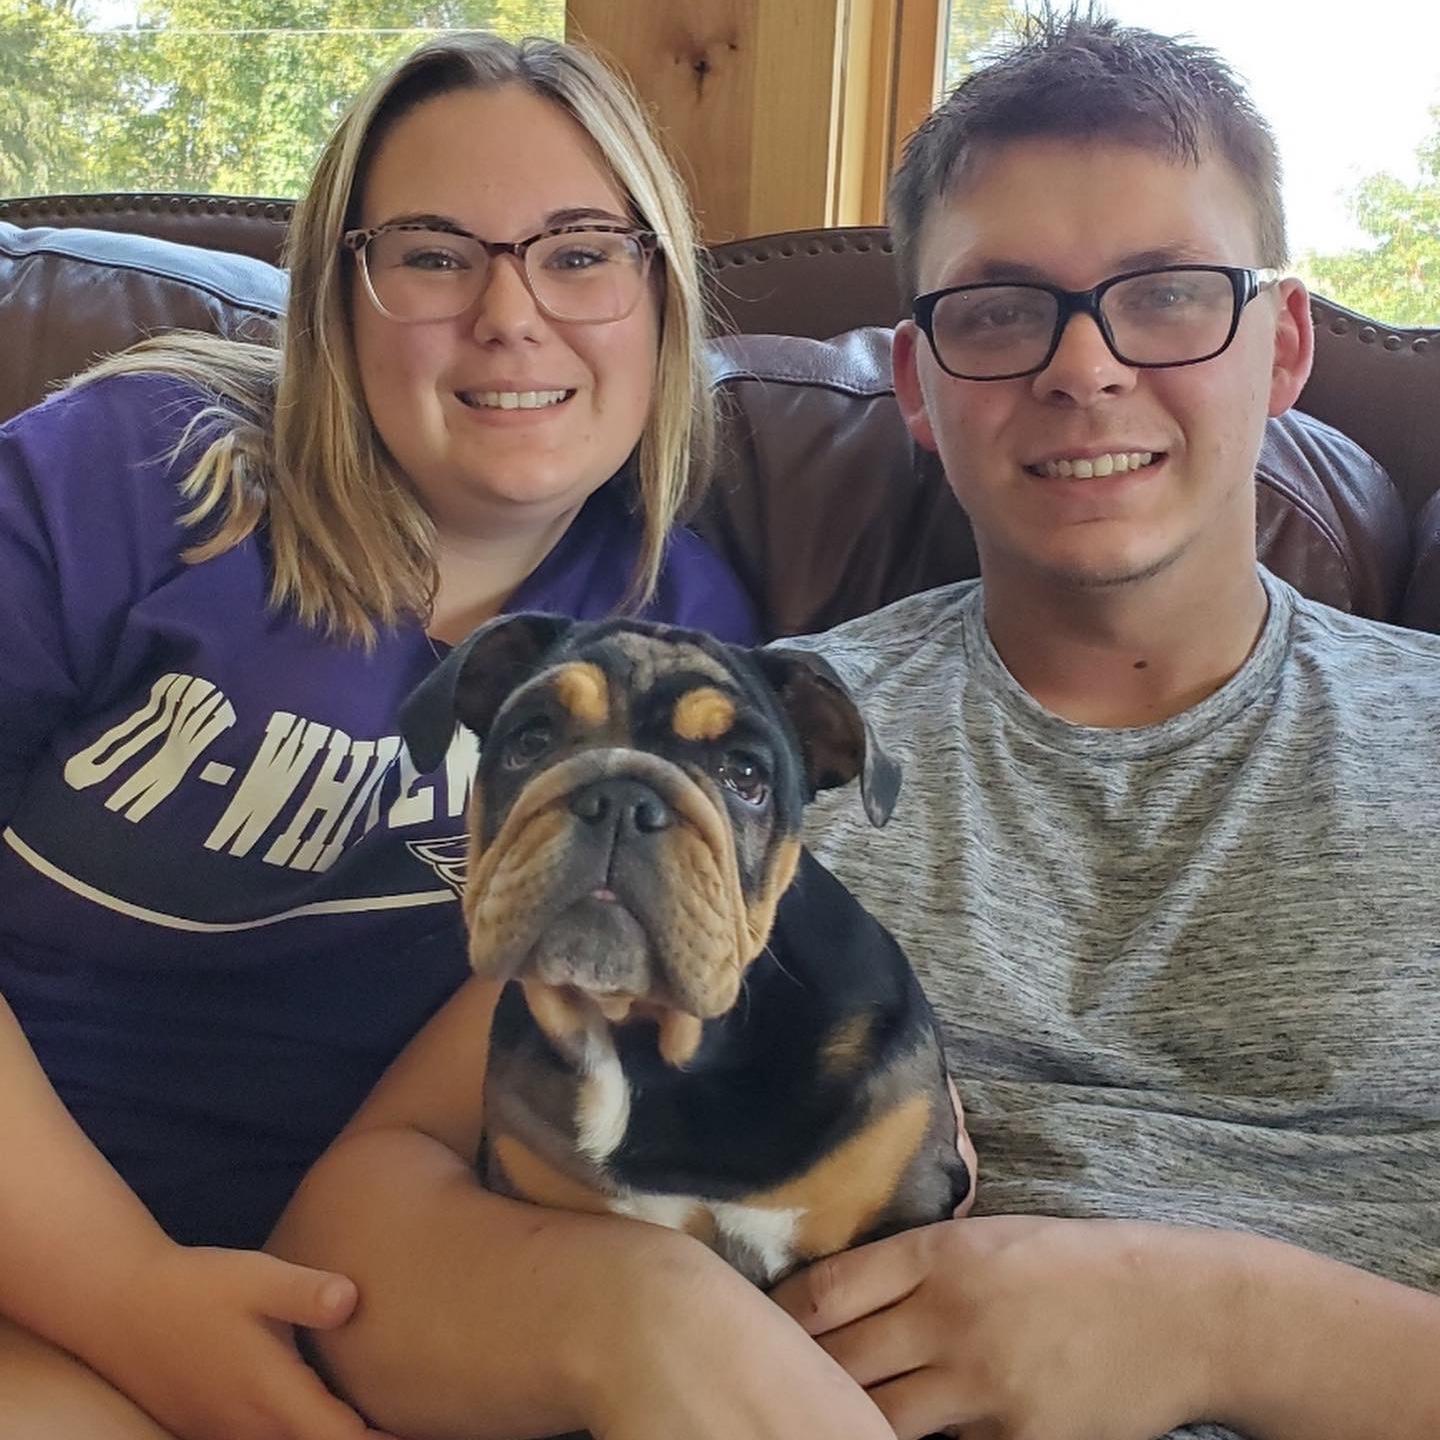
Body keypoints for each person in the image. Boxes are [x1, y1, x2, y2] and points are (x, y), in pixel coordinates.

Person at [0, 30, 760, 1440]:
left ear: (662, 298)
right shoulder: (126, 473)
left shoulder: (686, 641)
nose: (510, 315)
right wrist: (124, 1294)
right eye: (432, 254)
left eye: (581, 253)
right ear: (336, 299)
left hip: (366, 1285)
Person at [757, 10, 1440, 1440]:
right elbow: (407, 1188)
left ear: (1285, 345)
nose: (1084, 368)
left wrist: (1220, 1324)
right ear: (916, 382)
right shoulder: (758, 732)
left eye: (1169, 293)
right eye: (1000, 311)